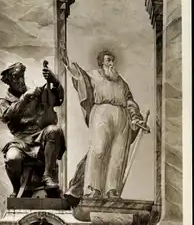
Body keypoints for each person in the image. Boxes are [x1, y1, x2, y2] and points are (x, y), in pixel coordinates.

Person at [61, 48, 150, 202]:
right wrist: (69, 65)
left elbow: (129, 101)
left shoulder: (121, 82)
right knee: (99, 149)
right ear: (101, 62)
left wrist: (135, 117)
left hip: (122, 118)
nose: (111, 63)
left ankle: (112, 190)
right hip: (101, 112)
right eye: (108, 60)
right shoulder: (94, 75)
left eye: (112, 60)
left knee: (118, 154)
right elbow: (81, 79)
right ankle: (93, 189)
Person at [0, 62, 66, 197]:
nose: (21, 80)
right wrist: (25, 98)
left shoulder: (35, 94)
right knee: (12, 158)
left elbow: (57, 99)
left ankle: (47, 176)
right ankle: (16, 189)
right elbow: (6, 116)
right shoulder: (3, 101)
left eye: (22, 76)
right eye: (16, 77)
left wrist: (55, 82)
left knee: (54, 130)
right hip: (20, 141)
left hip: (40, 136)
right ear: (9, 81)